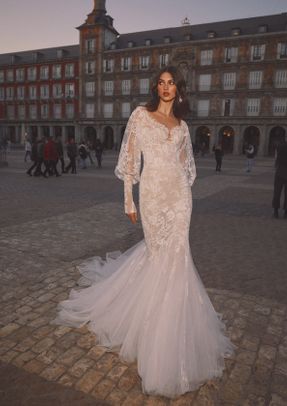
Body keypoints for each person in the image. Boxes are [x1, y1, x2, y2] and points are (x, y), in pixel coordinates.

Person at [54, 66, 234, 398]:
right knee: (157, 254)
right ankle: (151, 331)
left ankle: (170, 336)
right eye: (161, 83)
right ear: (156, 87)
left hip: (179, 198)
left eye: (172, 84)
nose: (166, 88)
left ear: (179, 90)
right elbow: (129, 160)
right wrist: (129, 200)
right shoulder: (140, 115)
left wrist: (180, 189)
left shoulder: (182, 126)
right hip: (150, 195)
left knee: (178, 257)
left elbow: (188, 167)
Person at [272, 132, 287, 219]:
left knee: (277, 192)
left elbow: (276, 158)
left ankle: (275, 212)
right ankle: (286, 212)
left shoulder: (280, 146)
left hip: (279, 172)